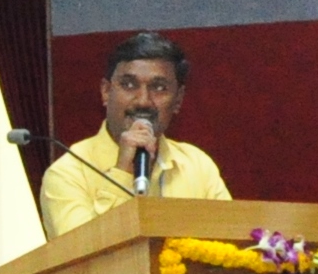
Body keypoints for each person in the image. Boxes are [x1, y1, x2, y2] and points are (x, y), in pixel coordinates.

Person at [39, 30, 231, 237]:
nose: (143, 101)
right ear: (106, 92)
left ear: (178, 100)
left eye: (159, 88)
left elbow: (231, 245)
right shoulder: (68, 173)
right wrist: (123, 172)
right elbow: (84, 250)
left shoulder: (197, 165)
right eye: (129, 85)